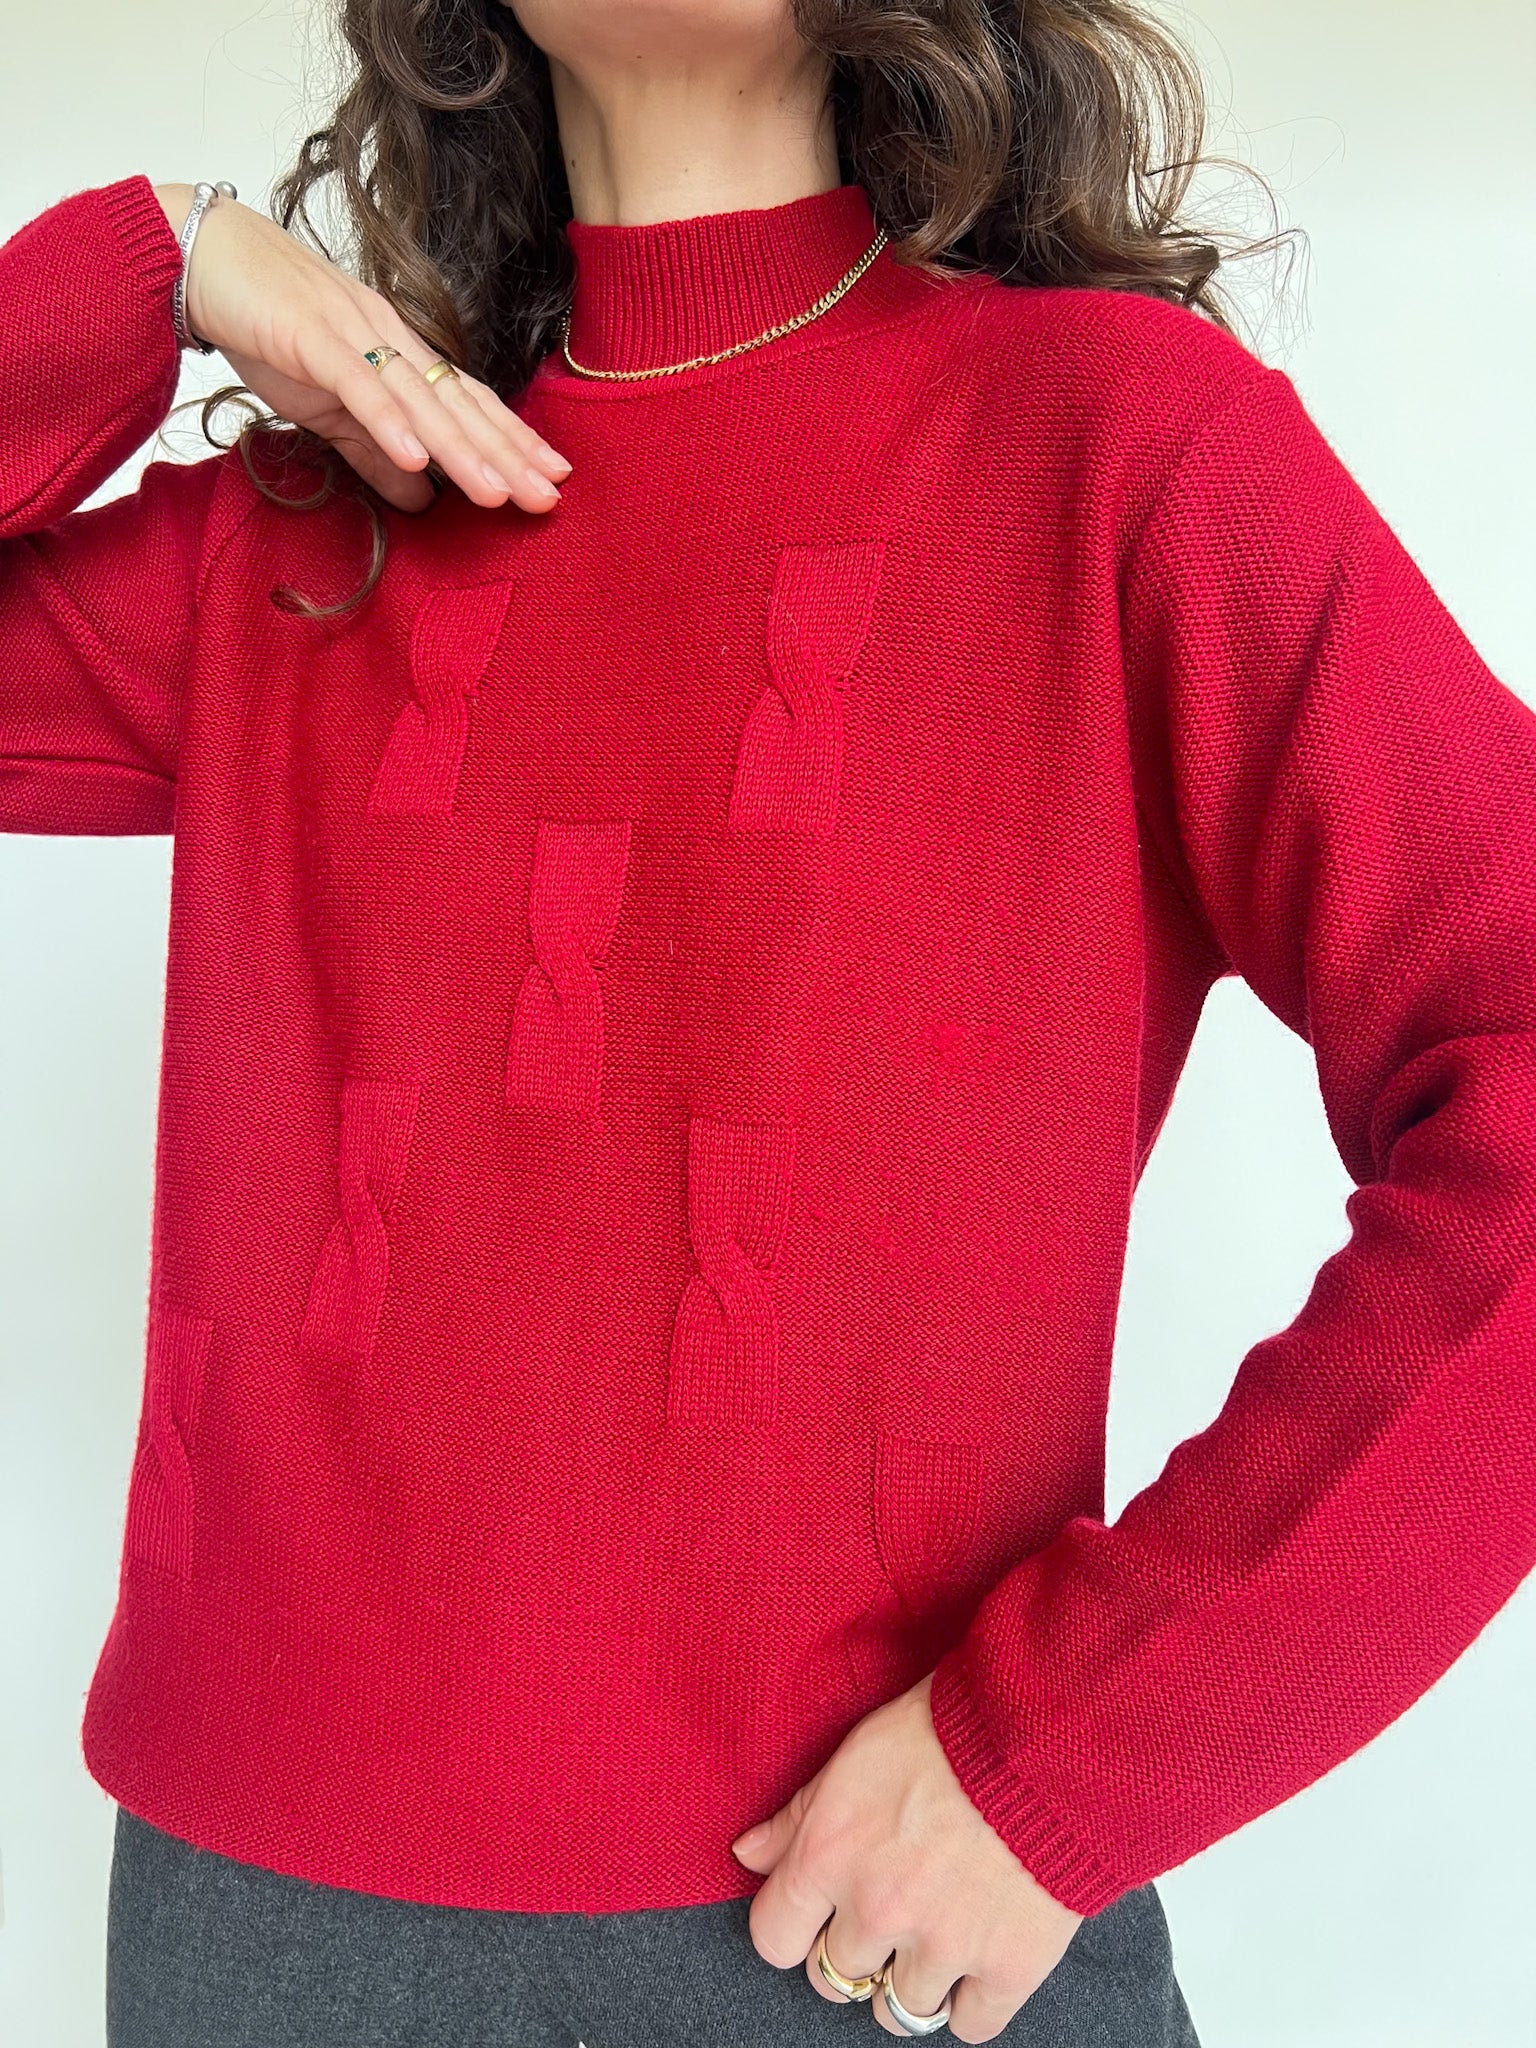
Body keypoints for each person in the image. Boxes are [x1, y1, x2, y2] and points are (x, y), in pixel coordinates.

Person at [4, 1, 1533, 2043]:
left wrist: (1079, 1750)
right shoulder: (315, 526)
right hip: (258, 1941)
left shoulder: (1116, 447)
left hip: (870, 1937)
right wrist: (160, 257)